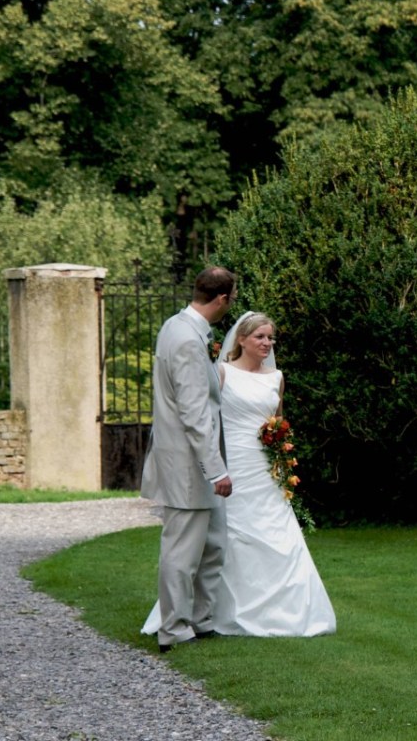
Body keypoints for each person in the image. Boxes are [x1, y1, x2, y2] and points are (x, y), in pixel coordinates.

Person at [143, 311, 336, 637]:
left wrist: (279, 446)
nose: (267, 343)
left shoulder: (276, 377)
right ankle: (208, 614)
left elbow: (278, 420)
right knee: (224, 539)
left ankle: (284, 612)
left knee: (277, 532)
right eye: (260, 336)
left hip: (263, 467)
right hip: (231, 464)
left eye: (270, 337)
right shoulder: (222, 373)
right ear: (241, 339)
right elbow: (207, 420)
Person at [141, 267, 237, 653]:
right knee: (182, 551)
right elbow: (195, 412)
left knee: (213, 544)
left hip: (194, 461)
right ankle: (174, 629)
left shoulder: (180, 328)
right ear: (222, 299)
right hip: (188, 464)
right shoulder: (185, 338)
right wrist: (216, 470)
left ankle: (201, 619)